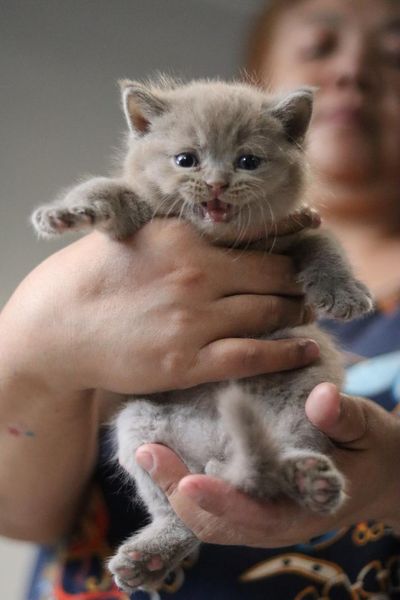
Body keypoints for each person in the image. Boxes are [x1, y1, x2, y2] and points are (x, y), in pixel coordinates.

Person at [1, 0, 399, 598]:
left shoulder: (297, 237)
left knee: (309, 396)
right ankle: (170, 525)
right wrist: (31, 336)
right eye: (320, 47)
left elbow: (311, 244)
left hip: (276, 419)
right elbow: (17, 514)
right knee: (136, 423)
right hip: (163, 440)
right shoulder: (139, 247)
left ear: (288, 128)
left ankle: (284, 463)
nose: (351, 73)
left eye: (394, 57)